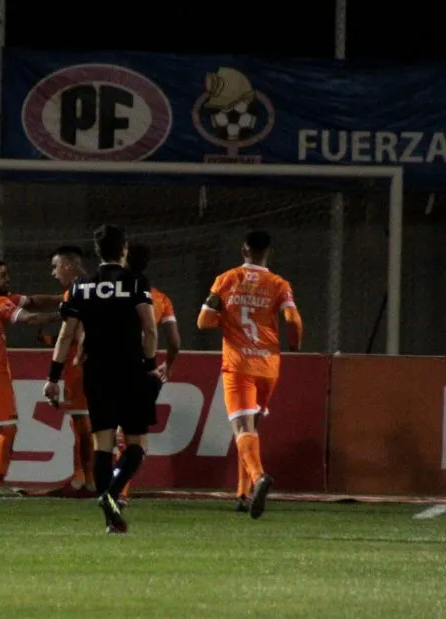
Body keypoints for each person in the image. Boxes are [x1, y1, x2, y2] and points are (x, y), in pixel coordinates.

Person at [43, 224, 162, 534]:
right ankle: (111, 494)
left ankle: (112, 519)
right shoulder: (135, 282)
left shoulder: (81, 286)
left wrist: (53, 377)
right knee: (135, 445)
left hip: (96, 373)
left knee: (103, 445)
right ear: (123, 250)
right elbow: (150, 328)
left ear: (97, 253)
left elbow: (66, 334)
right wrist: (150, 365)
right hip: (131, 371)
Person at [196, 230, 303, 519]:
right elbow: (292, 319)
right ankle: (243, 495)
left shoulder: (227, 279)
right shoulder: (278, 283)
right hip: (269, 366)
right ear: (270, 253)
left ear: (243, 250)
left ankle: (258, 479)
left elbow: (203, 322)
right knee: (251, 430)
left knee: (242, 429)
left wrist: (228, 319)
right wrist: (294, 342)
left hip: (239, 365)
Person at [0, 257, 59, 497]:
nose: (7, 280)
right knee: (7, 427)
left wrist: (63, 298)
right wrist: (65, 310)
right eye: (3, 275)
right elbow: (30, 318)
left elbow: (34, 301)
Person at [115, 243, 181, 507]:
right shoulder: (160, 299)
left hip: (114, 368)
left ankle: (115, 489)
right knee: (136, 438)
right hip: (145, 371)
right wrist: (169, 365)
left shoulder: (111, 293)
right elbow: (174, 341)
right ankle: (119, 491)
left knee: (114, 435)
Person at [45, 246, 95, 498]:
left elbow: (69, 335)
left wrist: (53, 377)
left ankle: (89, 482)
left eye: (56, 266)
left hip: (83, 365)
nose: (54, 273)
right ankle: (87, 478)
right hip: (116, 362)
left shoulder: (73, 292)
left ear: (68, 265)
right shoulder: (104, 285)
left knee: (82, 424)